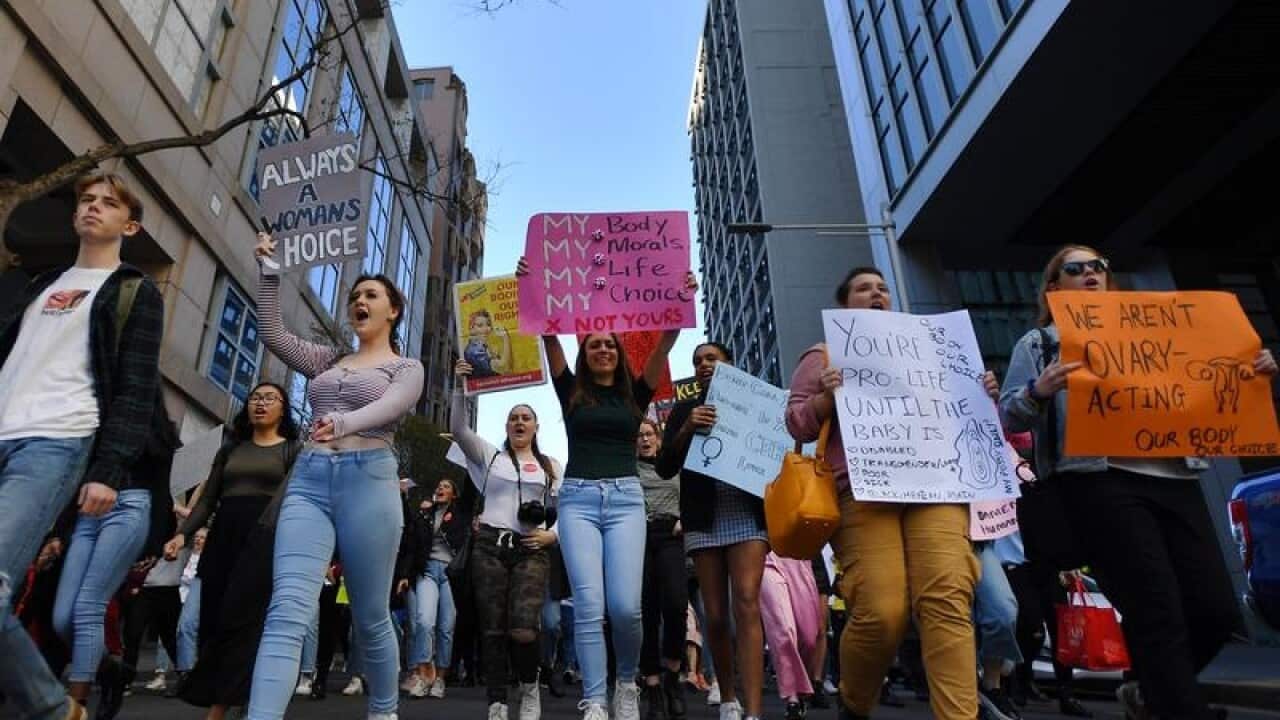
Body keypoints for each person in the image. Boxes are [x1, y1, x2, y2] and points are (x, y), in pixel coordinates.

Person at [999, 245, 1277, 720]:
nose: (1090, 273)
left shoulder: (1166, 334)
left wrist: (1247, 373)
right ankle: (1179, 708)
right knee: (1157, 608)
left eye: (1098, 266)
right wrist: (1037, 390)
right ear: (1054, 288)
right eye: (1075, 268)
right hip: (1101, 484)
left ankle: (1151, 692)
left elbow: (1205, 383)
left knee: (1216, 612)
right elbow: (1009, 412)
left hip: (1174, 476)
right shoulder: (1041, 343)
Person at [787, 266, 997, 720]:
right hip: (863, 492)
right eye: (865, 289)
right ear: (845, 307)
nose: (877, 293)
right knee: (883, 611)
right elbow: (796, 423)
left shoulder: (932, 354)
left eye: (883, 288)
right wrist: (826, 397)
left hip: (936, 488)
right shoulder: (823, 355)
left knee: (947, 598)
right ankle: (855, 702)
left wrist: (980, 392)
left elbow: (965, 417)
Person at [0, 171, 164, 720]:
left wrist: (110, 468)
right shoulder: (38, 285)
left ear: (130, 223)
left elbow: (137, 389)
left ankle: (54, 710)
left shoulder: (133, 291)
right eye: (87, 200)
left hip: (56, 442)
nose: (94, 207)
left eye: (108, 203)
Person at [245, 232, 423, 720]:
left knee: (370, 618)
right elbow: (271, 333)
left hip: (370, 482)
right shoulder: (328, 359)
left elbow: (392, 406)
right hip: (310, 481)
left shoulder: (407, 366)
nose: (358, 301)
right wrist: (270, 274)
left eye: (371, 295)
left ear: (393, 311)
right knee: (286, 610)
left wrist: (344, 422)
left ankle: (383, 710)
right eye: (354, 296)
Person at [516, 256, 696, 720]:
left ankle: (628, 682)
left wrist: (681, 298)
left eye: (609, 344)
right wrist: (531, 285)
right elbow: (548, 333)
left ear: (619, 352)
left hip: (624, 500)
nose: (602, 349)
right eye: (594, 344)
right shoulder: (570, 389)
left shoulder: (636, 393)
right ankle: (596, 698)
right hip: (576, 500)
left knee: (625, 607)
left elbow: (665, 342)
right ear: (585, 352)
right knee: (591, 604)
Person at [164, 382, 302, 719]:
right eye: (255, 397)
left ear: (283, 409)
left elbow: (295, 504)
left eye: (270, 398)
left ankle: (220, 707)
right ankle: (237, 693)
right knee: (212, 618)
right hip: (222, 537)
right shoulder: (230, 448)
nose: (260, 403)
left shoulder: (293, 450)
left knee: (242, 621)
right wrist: (182, 535)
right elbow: (209, 498)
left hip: (262, 540)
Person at [658, 342, 768, 720]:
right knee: (717, 615)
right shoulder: (685, 410)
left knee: (747, 603)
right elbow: (664, 466)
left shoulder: (756, 404)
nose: (703, 365)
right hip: (704, 518)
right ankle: (729, 698)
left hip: (747, 515)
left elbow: (777, 450)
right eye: (697, 361)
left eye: (712, 358)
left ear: (730, 365)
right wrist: (688, 427)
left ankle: (753, 710)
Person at [453, 358, 563, 720]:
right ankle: (497, 702)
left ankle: (529, 689)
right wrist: (459, 386)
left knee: (523, 628)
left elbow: (568, 509)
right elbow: (458, 430)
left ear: (536, 426)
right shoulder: (491, 456)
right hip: (489, 547)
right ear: (506, 425)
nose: (519, 422)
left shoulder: (550, 466)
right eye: (514, 417)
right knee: (493, 629)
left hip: (531, 550)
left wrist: (552, 535)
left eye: (526, 417)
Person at [396, 477, 467, 699]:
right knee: (424, 621)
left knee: (446, 627)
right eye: (439, 485)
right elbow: (410, 542)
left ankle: (440, 679)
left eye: (446, 486)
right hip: (427, 572)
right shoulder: (425, 515)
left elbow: (471, 495)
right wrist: (405, 575)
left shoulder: (460, 513)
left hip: (450, 575)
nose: (440, 488)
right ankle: (425, 673)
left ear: (454, 494)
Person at [636, 419, 688, 720]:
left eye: (648, 434)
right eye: (639, 436)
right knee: (645, 611)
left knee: (676, 604)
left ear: (658, 437)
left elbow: (691, 496)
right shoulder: (629, 469)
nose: (644, 440)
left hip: (671, 535)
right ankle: (653, 686)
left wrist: (684, 517)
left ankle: (672, 674)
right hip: (639, 537)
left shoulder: (675, 465)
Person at [758, 551, 824, 720]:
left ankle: (801, 689)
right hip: (767, 555)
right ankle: (792, 697)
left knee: (809, 639)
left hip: (801, 556)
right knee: (784, 630)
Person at [464, 309, 511, 377]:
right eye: (480, 325)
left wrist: (493, 354)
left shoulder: (483, 345)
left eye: (488, 324)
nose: (485, 329)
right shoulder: (474, 351)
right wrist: (505, 337)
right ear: (471, 328)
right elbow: (502, 365)